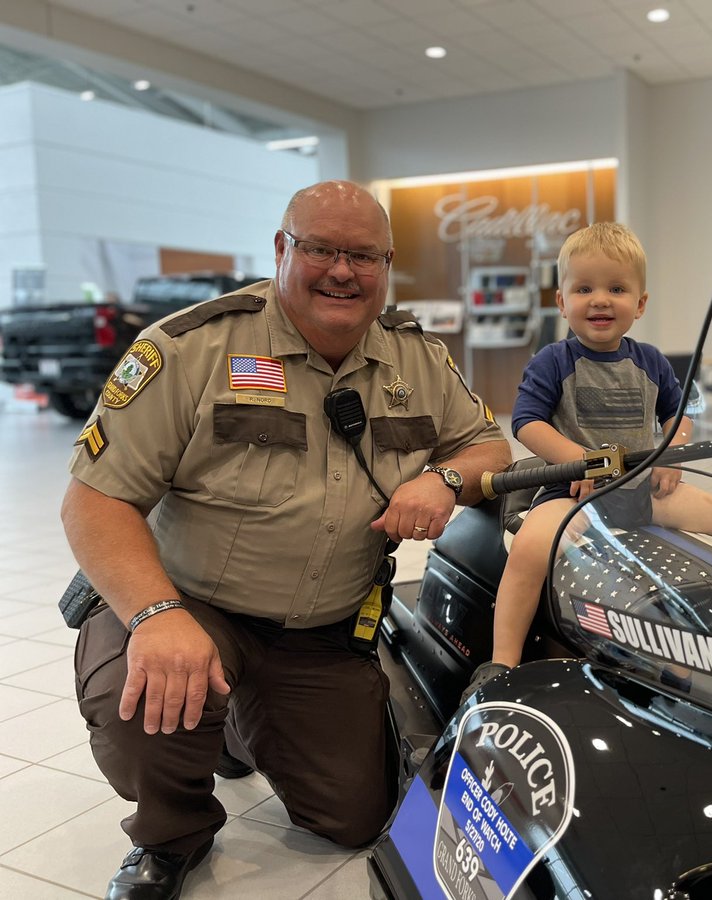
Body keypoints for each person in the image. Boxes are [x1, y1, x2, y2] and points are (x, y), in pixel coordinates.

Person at [61, 180, 512, 900]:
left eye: (363, 255)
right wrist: (155, 615)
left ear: (386, 263)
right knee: (143, 708)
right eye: (321, 249)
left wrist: (447, 481)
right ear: (282, 249)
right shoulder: (191, 348)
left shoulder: (415, 358)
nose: (343, 270)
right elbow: (94, 498)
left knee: (355, 816)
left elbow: (490, 445)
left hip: (321, 630)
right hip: (193, 604)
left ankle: (239, 723)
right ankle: (170, 834)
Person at [463, 222, 712, 699]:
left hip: (641, 490)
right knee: (531, 549)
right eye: (584, 288)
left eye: (616, 289)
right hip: (574, 494)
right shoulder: (552, 361)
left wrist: (671, 451)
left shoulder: (652, 362)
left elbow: (681, 415)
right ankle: (502, 662)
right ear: (561, 301)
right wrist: (582, 462)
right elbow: (527, 422)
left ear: (640, 304)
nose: (600, 300)